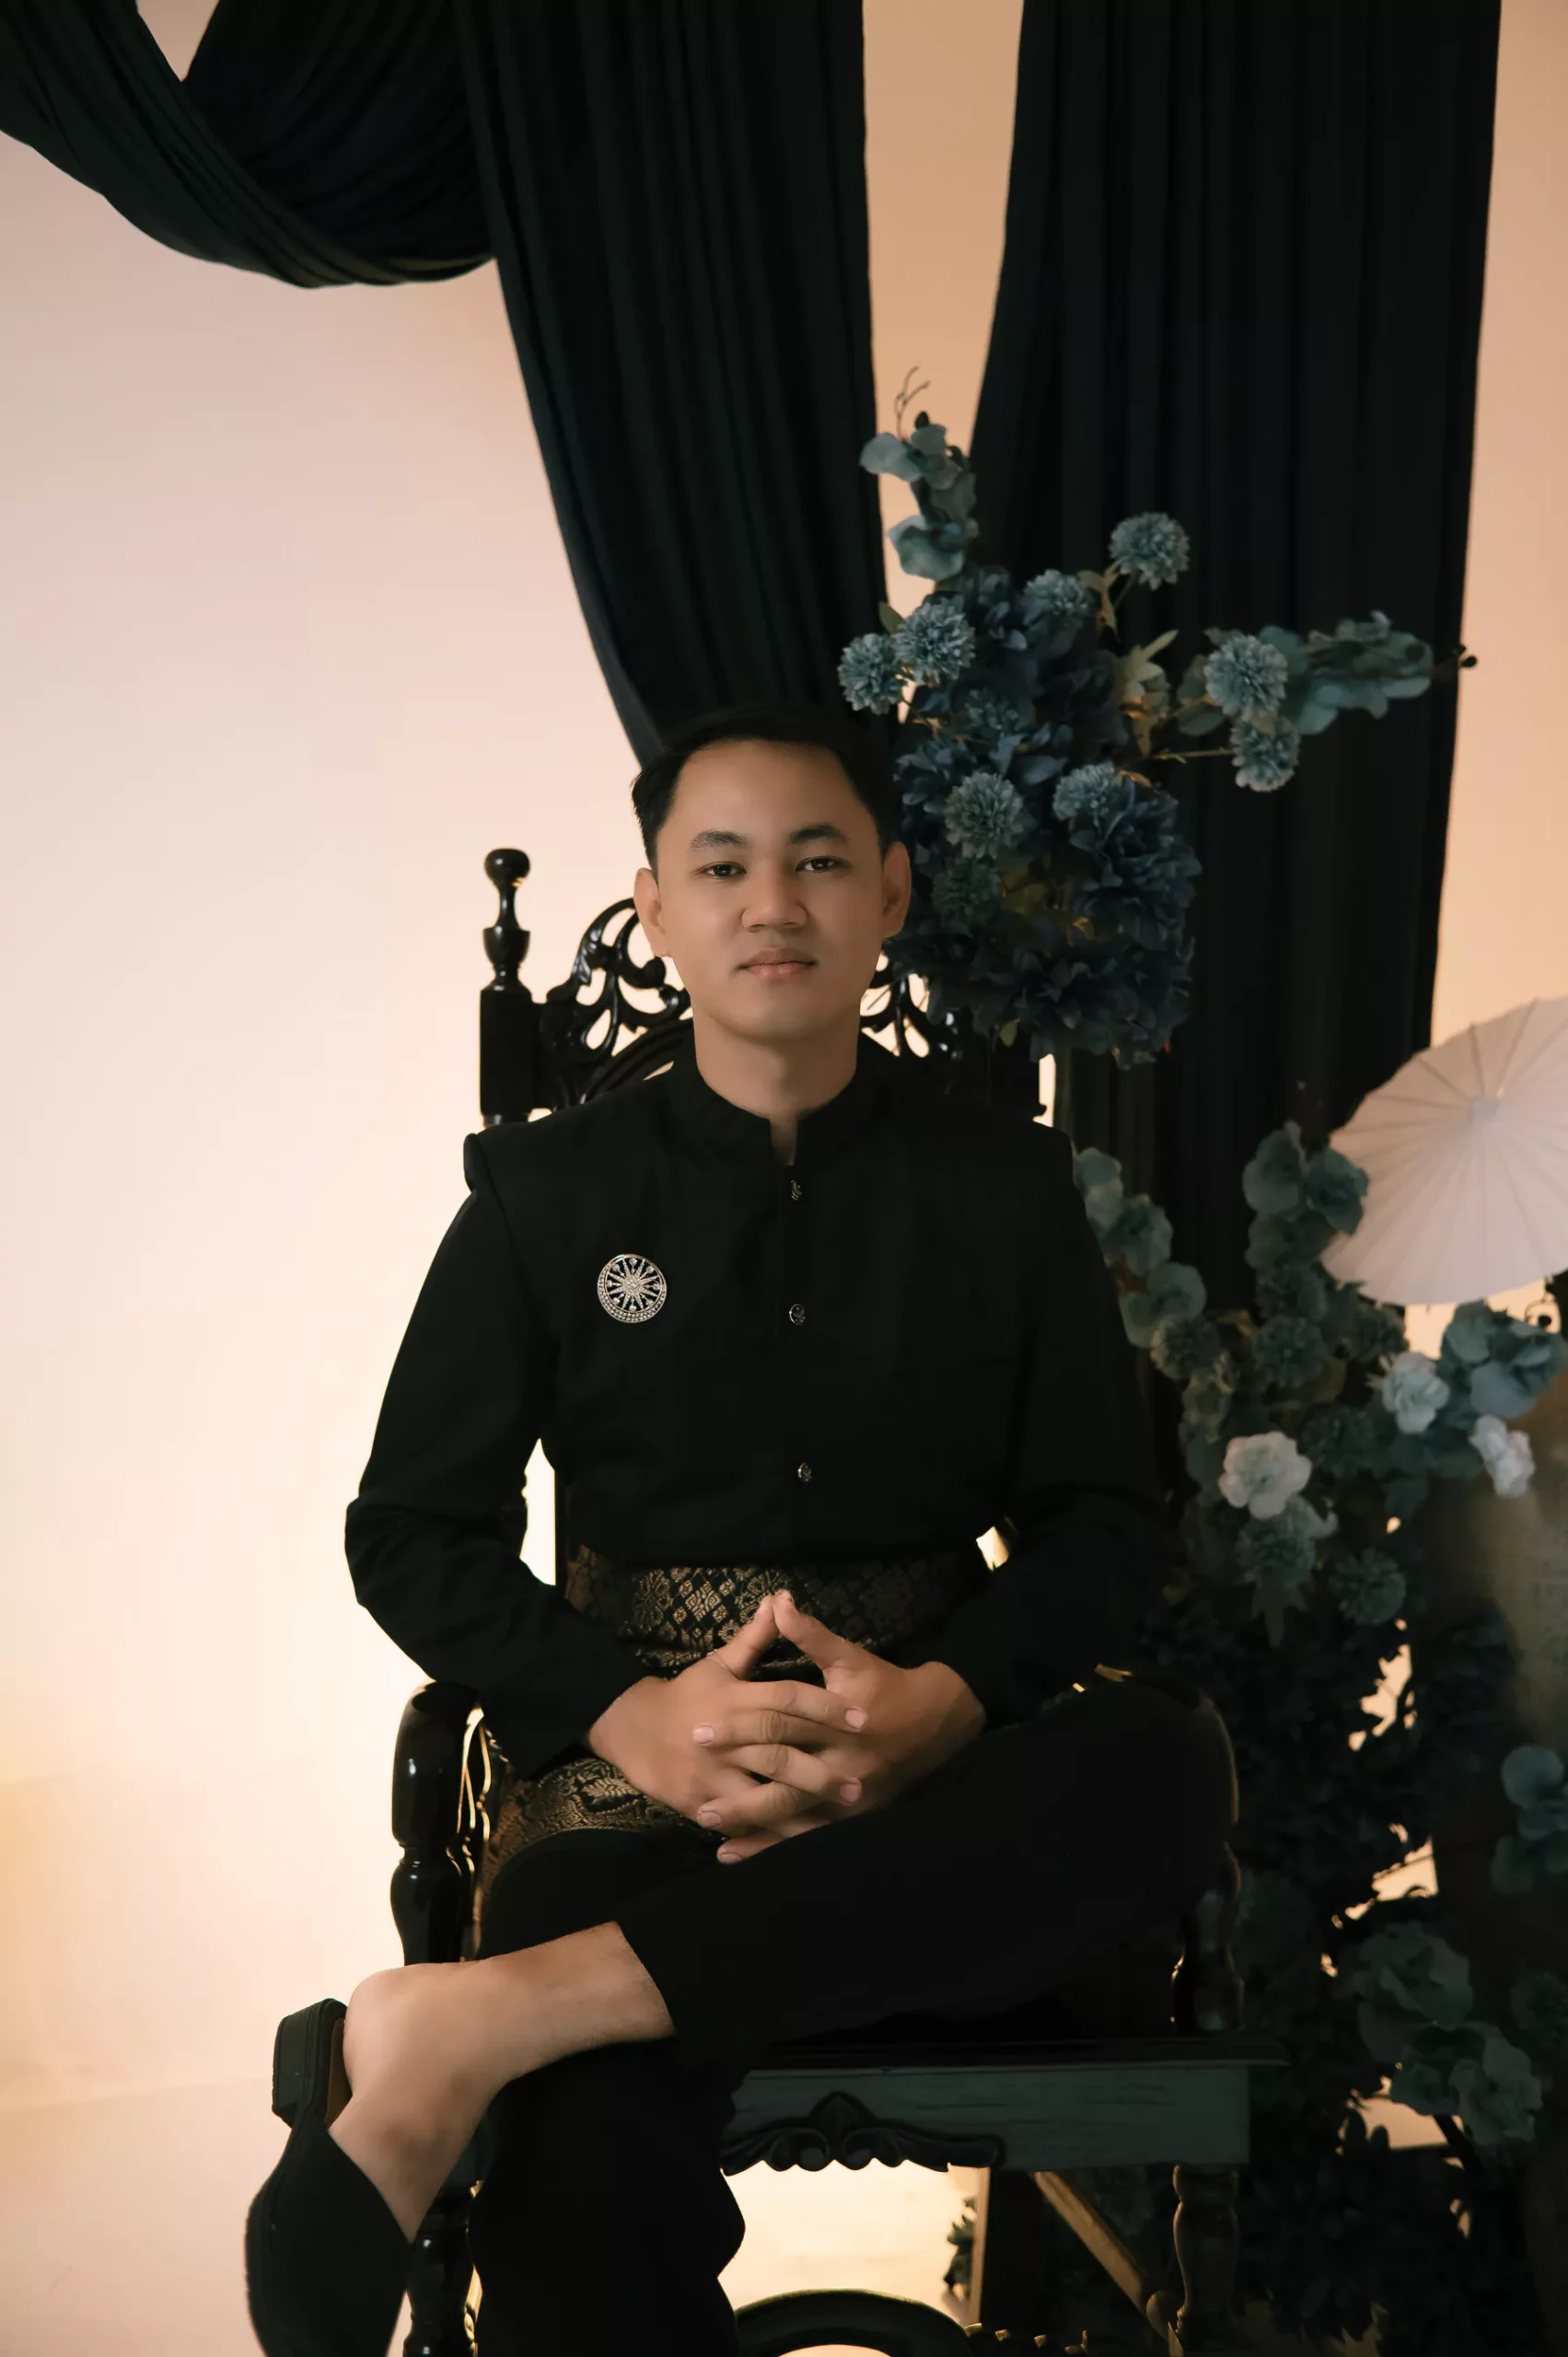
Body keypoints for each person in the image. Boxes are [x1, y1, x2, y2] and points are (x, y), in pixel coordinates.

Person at [243, 704, 1233, 2357]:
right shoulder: (543, 1198)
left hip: (930, 1784)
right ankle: (556, 2010)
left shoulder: (1005, 1190)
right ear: (656, 908)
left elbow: (1099, 1529)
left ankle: (476, 2021)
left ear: (890, 893)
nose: (772, 903)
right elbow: (410, 1533)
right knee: (588, 2160)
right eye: (721, 867)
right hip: (631, 1791)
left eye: (818, 860)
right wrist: (632, 1717)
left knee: (1157, 1770)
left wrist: (941, 1708)